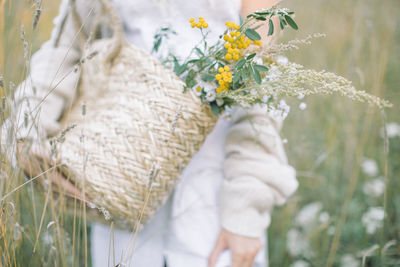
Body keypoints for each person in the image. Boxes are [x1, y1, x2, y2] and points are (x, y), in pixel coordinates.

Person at [1, 0, 298, 266]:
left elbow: (258, 75)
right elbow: (67, 44)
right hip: (116, 180)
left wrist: (246, 210)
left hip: (214, 197)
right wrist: (28, 132)